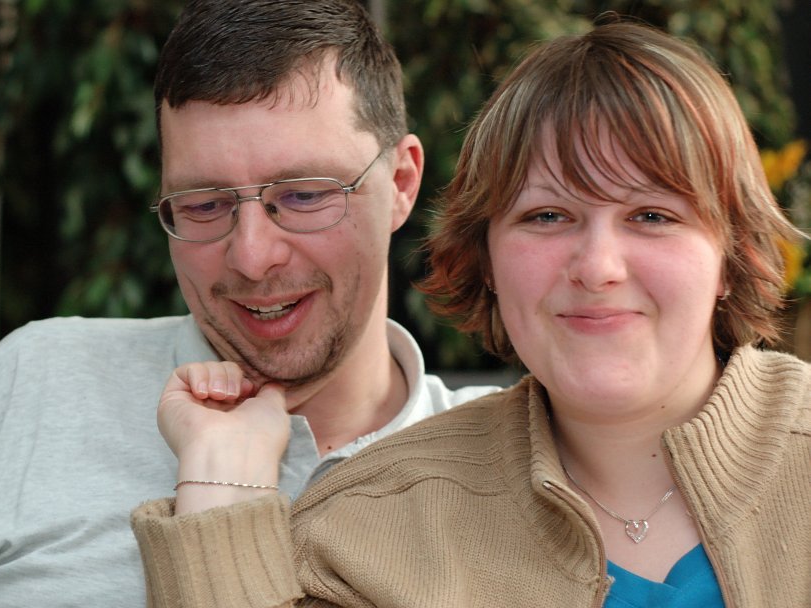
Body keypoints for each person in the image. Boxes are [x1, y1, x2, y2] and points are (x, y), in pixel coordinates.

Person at [131, 20, 811, 607]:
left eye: (652, 216)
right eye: (548, 216)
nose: (598, 266)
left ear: (732, 255)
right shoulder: (368, 527)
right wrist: (217, 487)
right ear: (486, 257)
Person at [0, 1, 497, 605]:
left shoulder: (504, 463)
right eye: (204, 205)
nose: (251, 256)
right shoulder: (35, 386)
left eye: (303, 195)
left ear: (401, 183)